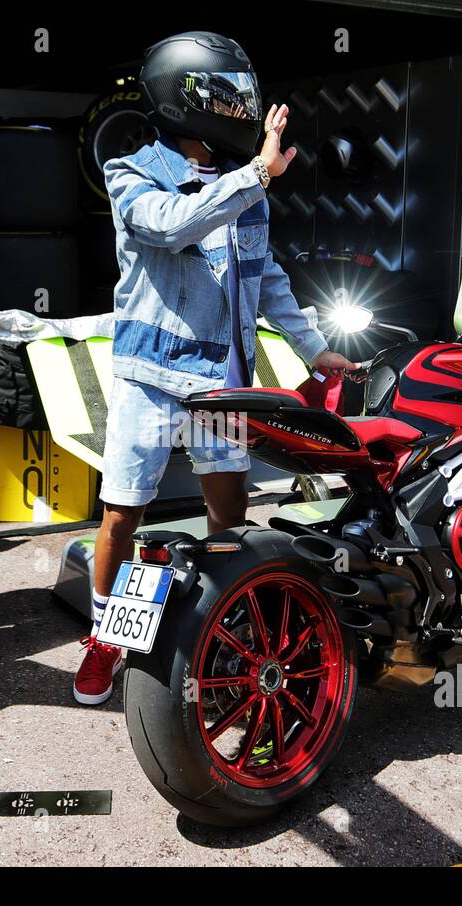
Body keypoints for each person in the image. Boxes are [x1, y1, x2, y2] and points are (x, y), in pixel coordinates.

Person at [73, 31, 355, 705]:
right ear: (189, 98)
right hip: (151, 377)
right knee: (122, 516)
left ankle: (234, 623)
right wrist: (254, 175)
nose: (244, 108)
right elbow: (172, 226)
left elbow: (268, 277)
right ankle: (106, 635)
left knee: (230, 516)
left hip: (223, 387)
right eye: (230, 96)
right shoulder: (132, 172)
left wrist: (314, 348)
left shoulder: (244, 188)